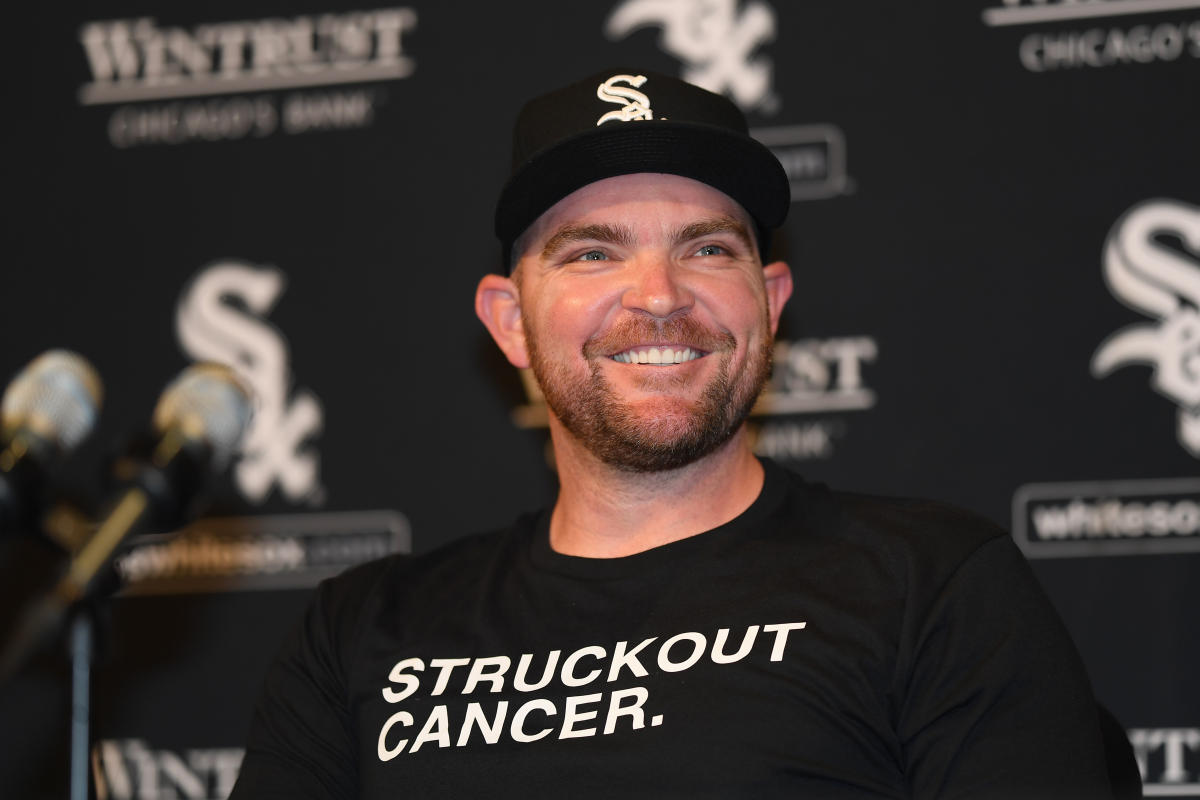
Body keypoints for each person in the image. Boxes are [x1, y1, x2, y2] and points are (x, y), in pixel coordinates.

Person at [229, 69, 1113, 798]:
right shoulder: (360, 632)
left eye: (707, 249)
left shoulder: (933, 585)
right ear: (508, 322)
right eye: (592, 253)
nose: (658, 294)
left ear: (768, 305)